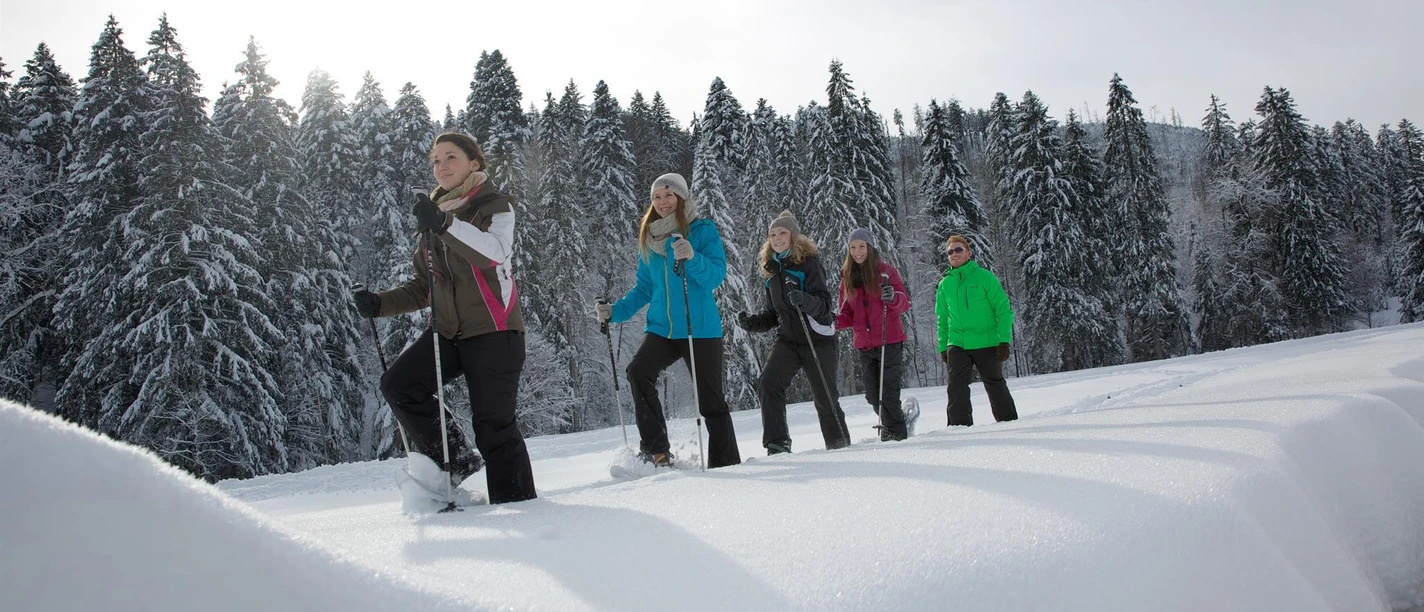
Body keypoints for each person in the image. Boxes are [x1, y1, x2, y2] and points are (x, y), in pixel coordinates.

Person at [352, 132, 537, 504]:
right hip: (449, 333)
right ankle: (456, 458)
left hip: (495, 332)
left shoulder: (495, 207)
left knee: (494, 427)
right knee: (399, 385)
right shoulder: (434, 217)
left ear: (474, 163)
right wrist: (380, 303)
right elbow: (426, 285)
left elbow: (494, 253)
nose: (441, 166)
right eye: (435, 160)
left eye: (450, 157)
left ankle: (520, 510)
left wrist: (444, 224)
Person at [595, 173, 742, 468]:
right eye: (657, 197)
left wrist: (693, 257)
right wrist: (616, 311)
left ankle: (726, 464)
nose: (662, 202)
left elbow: (715, 275)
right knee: (638, 371)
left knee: (711, 400)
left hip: (698, 327)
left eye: (669, 195)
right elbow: (644, 288)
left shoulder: (701, 231)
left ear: (681, 198)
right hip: (661, 328)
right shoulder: (649, 238)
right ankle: (656, 452)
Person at [737, 211, 850, 454]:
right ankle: (777, 444)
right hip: (788, 339)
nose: (777, 238)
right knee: (768, 383)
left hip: (817, 338)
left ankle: (839, 445)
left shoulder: (808, 264)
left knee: (824, 397)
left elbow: (824, 304)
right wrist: (752, 323)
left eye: (782, 233)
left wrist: (804, 300)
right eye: (773, 234)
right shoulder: (772, 272)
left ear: (793, 236)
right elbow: (773, 315)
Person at [834, 228, 912, 441]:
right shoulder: (847, 279)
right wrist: (833, 322)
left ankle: (896, 436)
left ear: (870, 247)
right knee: (872, 395)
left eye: (861, 246)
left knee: (888, 393)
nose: (857, 252)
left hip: (890, 340)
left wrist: (893, 297)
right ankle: (895, 422)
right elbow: (847, 313)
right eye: (853, 247)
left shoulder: (886, 272)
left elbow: (904, 303)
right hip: (865, 345)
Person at [934, 235, 1018, 426]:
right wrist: (943, 346)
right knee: (956, 388)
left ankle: (1010, 424)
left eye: (958, 250)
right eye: (950, 251)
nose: (954, 254)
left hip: (986, 341)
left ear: (968, 253)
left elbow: (1003, 310)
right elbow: (942, 318)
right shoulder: (945, 285)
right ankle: (958, 428)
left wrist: (1004, 340)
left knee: (995, 384)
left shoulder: (985, 278)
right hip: (957, 343)